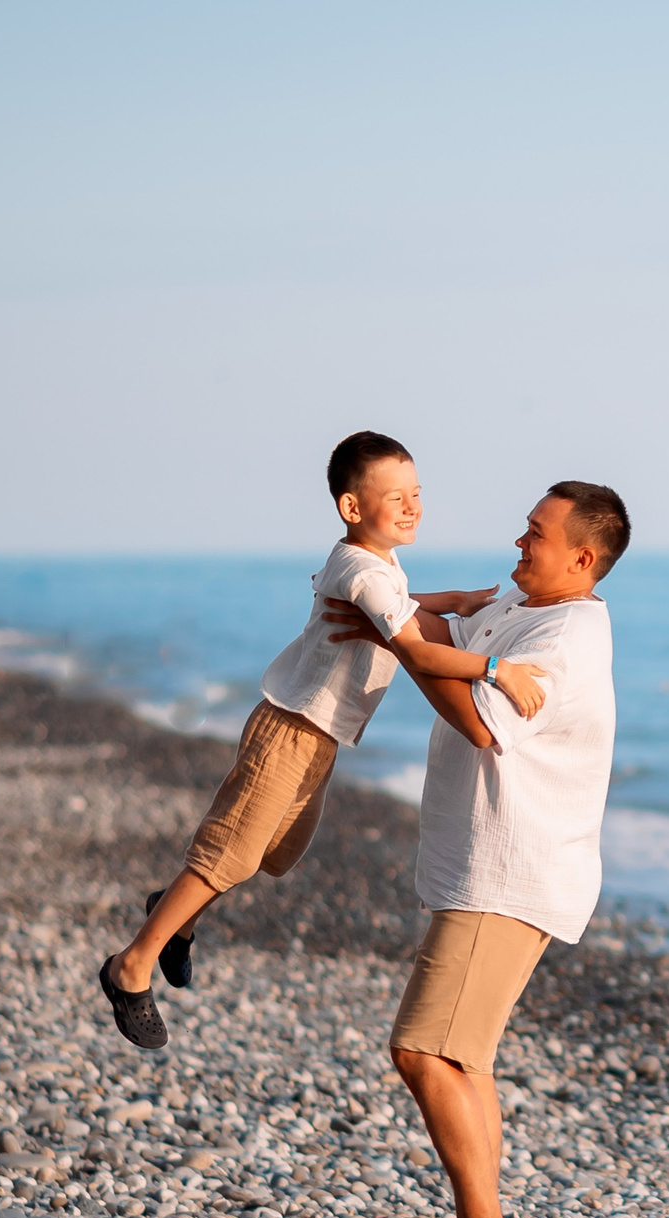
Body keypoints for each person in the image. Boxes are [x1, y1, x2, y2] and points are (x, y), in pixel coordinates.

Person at [98, 431, 548, 1051]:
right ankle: (131, 965)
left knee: (274, 853)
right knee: (229, 850)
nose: (413, 506)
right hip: (290, 729)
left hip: (320, 739)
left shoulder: (377, 562)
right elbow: (415, 647)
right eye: (397, 497)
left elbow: (401, 605)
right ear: (352, 508)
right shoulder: (358, 566)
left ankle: (174, 916)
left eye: (417, 493)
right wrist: (499, 670)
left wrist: (457, 601)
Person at [329, 481, 628, 1218]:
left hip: (513, 871)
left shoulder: (567, 636)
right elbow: (426, 626)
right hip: (483, 863)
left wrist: (416, 649)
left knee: (423, 1050)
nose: (519, 542)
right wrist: (384, 607)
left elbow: (483, 719)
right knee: (465, 1058)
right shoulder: (520, 606)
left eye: (536, 534)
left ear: (582, 558)